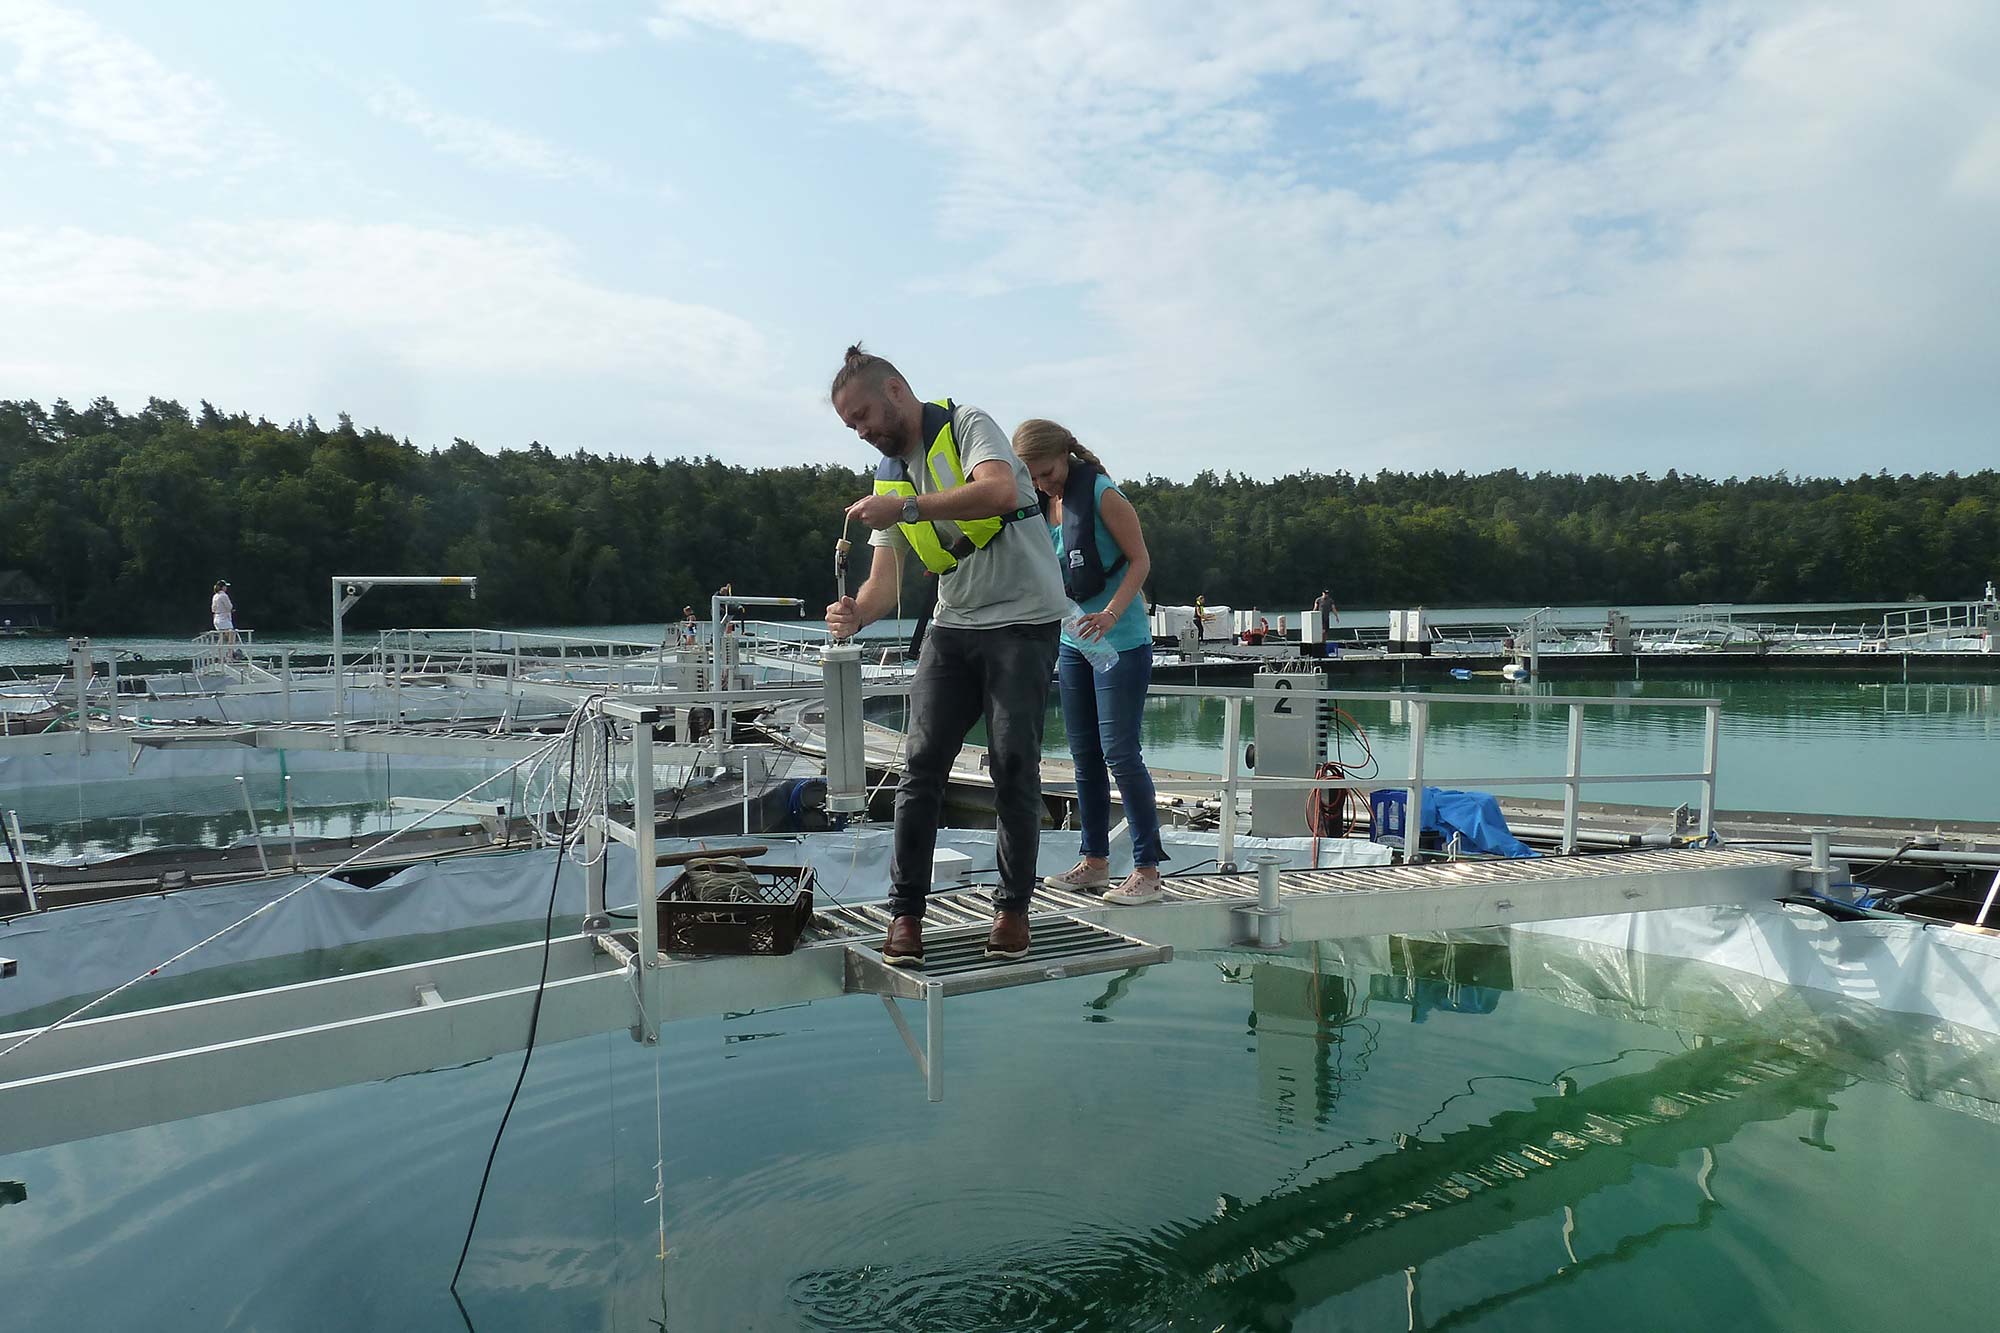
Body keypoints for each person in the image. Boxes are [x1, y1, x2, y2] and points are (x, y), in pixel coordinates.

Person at [824, 344, 1066, 966]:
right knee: (921, 764)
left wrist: (906, 507)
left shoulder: (967, 425)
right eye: (850, 426)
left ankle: (1013, 909)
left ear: (896, 391)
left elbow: (1000, 491)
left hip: (1024, 620)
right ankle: (906, 916)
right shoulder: (888, 476)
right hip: (953, 624)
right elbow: (884, 584)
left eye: (863, 416)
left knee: (1014, 762)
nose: (861, 432)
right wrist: (856, 613)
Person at [1013, 419, 1167, 905]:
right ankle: (1095, 862)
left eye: (1047, 473)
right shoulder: (1044, 502)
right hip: (1074, 642)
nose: (1043, 484)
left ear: (1065, 455)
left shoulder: (1102, 494)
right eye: (1033, 477)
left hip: (1121, 640)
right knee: (1084, 755)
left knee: (1120, 751)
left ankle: (1147, 871)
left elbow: (1140, 560)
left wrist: (1112, 613)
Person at [211, 580, 237, 646]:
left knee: (222, 636)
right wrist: (230, 610)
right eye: (225, 586)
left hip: (217, 619)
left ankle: (219, 651)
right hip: (224, 619)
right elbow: (229, 607)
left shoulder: (215, 596)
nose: (226, 588)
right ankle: (230, 651)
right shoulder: (224, 595)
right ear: (223, 587)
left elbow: (213, 609)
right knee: (231, 635)